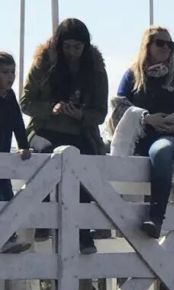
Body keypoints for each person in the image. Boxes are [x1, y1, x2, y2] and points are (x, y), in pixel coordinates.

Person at [20, 18, 108, 254]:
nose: (71, 52)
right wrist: (52, 108)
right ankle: (43, 219)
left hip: (80, 133)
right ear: (58, 45)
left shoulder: (96, 70)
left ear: (85, 47)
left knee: (85, 165)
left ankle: (83, 233)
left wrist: (80, 114)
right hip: (44, 130)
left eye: (77, 47)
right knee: (45, 155)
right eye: (67, 46)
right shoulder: (42, 63)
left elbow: (100, 112)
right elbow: (26, 102)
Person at [117, 26, 174, 239]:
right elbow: (119, 107)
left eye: (170, 44)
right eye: (160, 43)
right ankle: (105, 223)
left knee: (161, 151)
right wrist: (145, 118)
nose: (166, 47)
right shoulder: (132, 74)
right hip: (139, 138)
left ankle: (155, 218)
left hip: (172, 137)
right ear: (147, 46)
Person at [0, 51, 33, 254]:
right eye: (4, 72)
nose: (10, 77)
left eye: (12, 72)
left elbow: (18, 124)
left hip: (3, 154)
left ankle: (8, 238)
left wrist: (24, 145)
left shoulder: (10, 96)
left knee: (7, 196)